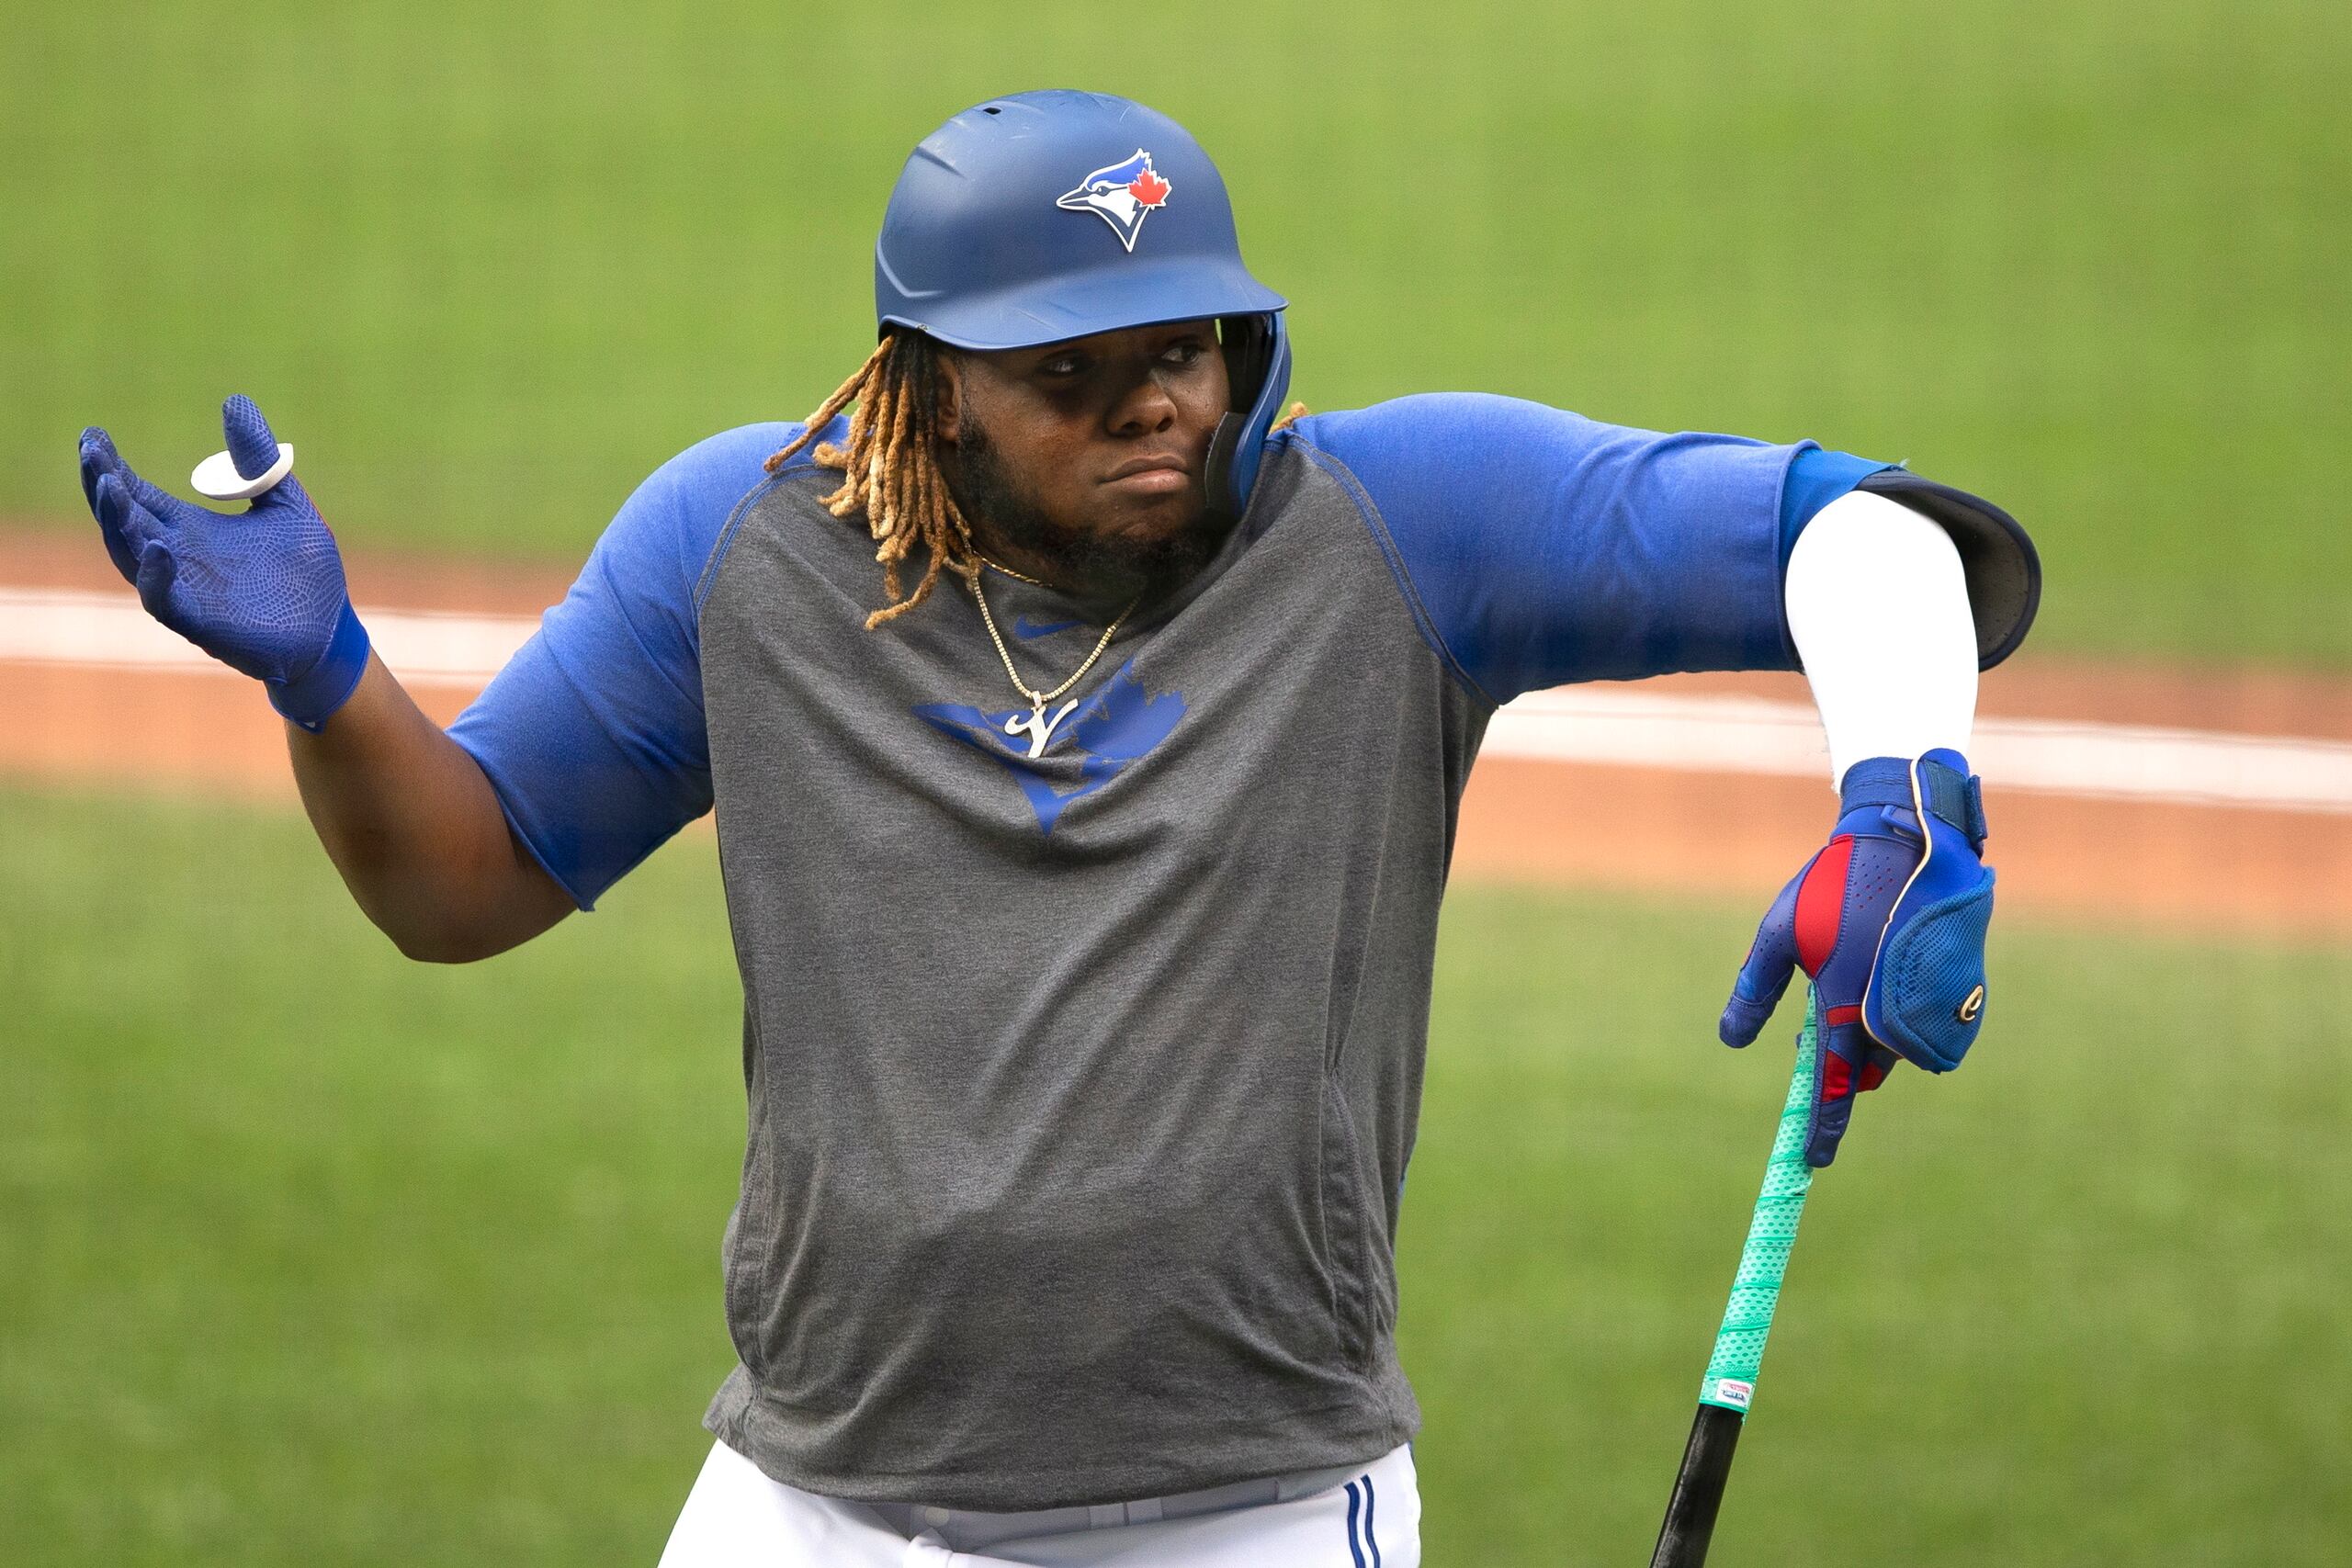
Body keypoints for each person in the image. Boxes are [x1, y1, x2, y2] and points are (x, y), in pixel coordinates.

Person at [74, 89, 2037, 1567]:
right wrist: (328, 675)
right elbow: (457, 879)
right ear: (927, 388)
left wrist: (1903, 796)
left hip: (1242, 1514)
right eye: (1067, 378)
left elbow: (1866, 534)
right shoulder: (744, 551)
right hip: (803, 1499)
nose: (1148, 413)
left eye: (1176, 353)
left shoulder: (1394, 532)